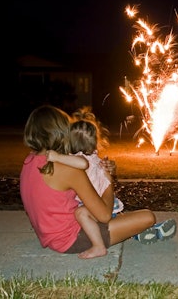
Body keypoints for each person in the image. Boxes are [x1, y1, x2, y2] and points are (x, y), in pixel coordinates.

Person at [20, 105, 177, 259]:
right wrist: (108, 181)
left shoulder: (29, 162)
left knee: (112, 216)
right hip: (73, 238)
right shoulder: (67, 169)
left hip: (50, 234)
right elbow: (104, 215)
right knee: (147, 217)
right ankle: (129, 234)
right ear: (61, 133)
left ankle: (131, 232)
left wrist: (99, 171)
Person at [46, 107, 125, 259]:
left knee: (80, 213)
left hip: (98, 205)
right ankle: (129, 230)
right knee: (82, 213)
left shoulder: (80, 159)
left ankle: (98, 247)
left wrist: (57, 157)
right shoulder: (95, 157)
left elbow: (82, 163)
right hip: (103, 202)